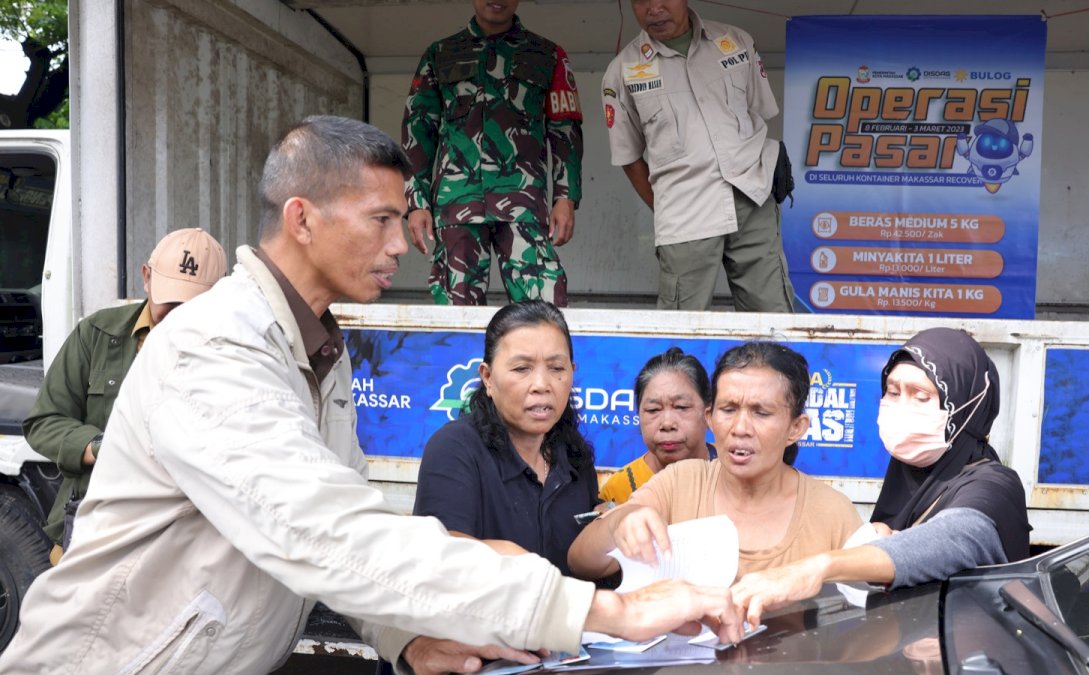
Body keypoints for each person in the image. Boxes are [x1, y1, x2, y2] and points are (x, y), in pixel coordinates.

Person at [0, 116, 742, 675]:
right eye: (381, 219)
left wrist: (403, 636)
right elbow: (323, 532)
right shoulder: (215, 344)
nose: (400, 243)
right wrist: (604, 609)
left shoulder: (318, 346)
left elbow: (341, 523)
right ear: (303, 217)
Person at [731, 328, 1030, 626]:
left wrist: (820, 567)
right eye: (893, 391)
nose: (901, 406)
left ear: (965, 408)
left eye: (921, 396)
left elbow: (956, 537)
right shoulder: (906, 480)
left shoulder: (995, 485)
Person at [569, 342, 862, 581]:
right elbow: (582, 562)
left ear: (796, 428)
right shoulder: (680, 483)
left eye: (761, 412)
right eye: (729, 409)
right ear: (710, 418)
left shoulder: (832, 512)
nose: (740, 427)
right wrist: (618, 522)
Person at [23, 227, 226, 563]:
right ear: (147, 278)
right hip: (95, 527)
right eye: (170, 300)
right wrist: (102, 447)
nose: (177, 315)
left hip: (185, 543)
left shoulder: (233, 353)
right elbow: (44, 422)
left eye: (191, 305)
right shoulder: (98, 334)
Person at [602, 0, 794, 312]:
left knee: (770, 317)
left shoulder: (735, 42)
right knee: (682, 327)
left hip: (752, 197)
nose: (654, 8)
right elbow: (628, 157)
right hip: (685, 214)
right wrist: (665, 205)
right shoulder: (622, 71)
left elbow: (760, 112)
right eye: (640, 0)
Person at [402, 0, 583, 307]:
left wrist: (565, 197)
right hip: (456, 202)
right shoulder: (440, 54)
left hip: (522, 201)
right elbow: (418, 129)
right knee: (456, 312)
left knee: (542, 309)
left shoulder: (547, 54)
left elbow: (565, 128)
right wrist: (415, 202)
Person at [414, 300, 598, 576]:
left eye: (556, 368)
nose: (542, 385)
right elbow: (442, 556)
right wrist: (518, 562)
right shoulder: (454, 448)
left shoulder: (574, 456)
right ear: (488, 377)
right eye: (522, 368)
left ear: (572, 371)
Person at [598, 346, 714, 504]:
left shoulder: (734, 472)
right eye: (653, 410)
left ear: (708, 413)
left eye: (681, 407)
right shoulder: (618, 492)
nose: (667, 423)